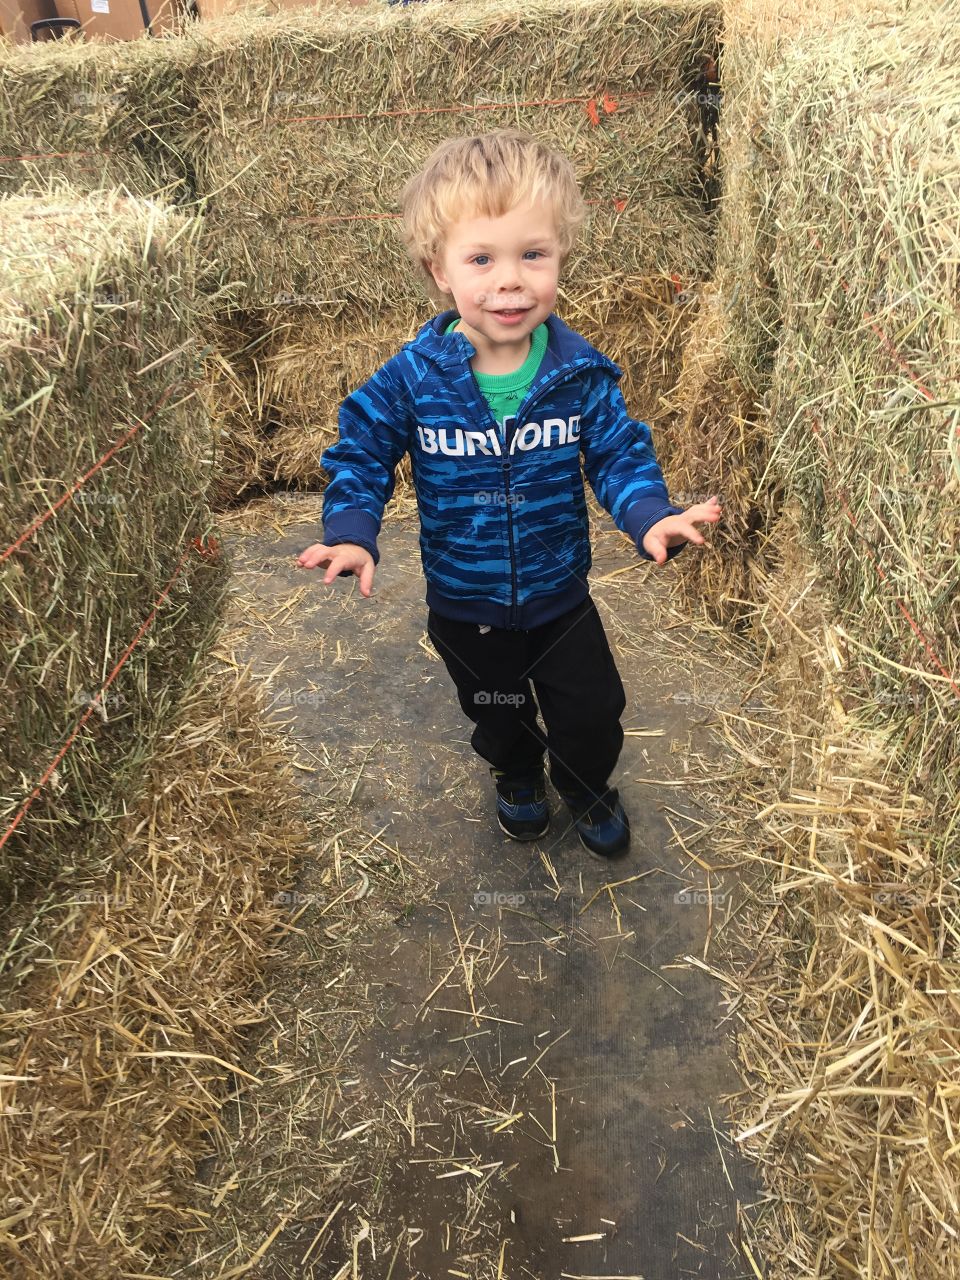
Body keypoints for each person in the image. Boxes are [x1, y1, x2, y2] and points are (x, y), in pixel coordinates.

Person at [297, 129, 722, 859]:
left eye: (533, 254)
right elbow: (361, 447)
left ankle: (588, 786)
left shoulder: (578, 374)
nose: (511, 280)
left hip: (560, 599)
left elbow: (619, 452)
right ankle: (518, 773)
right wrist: (352, 527)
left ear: (561, 257)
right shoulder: (414, 377)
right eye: (482, 258)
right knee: (497, 712)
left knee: (592, 711)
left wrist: (650, 514)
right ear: (439, 269)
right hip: (467, 605)